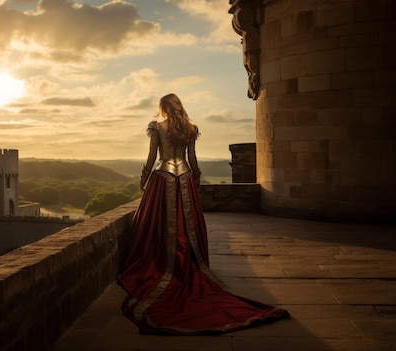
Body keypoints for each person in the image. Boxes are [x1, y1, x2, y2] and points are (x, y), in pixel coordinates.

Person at [117, 93, 289, 335]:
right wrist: (195, 181)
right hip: (184, 177)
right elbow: (193, 159)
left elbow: (153, 157)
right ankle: (186, 262)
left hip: (163, 177)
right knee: (186, 226)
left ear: (164, 107)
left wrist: (143, 180)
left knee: (158, 224)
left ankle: (162, 263)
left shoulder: (156, 126)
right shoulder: (190, 128)